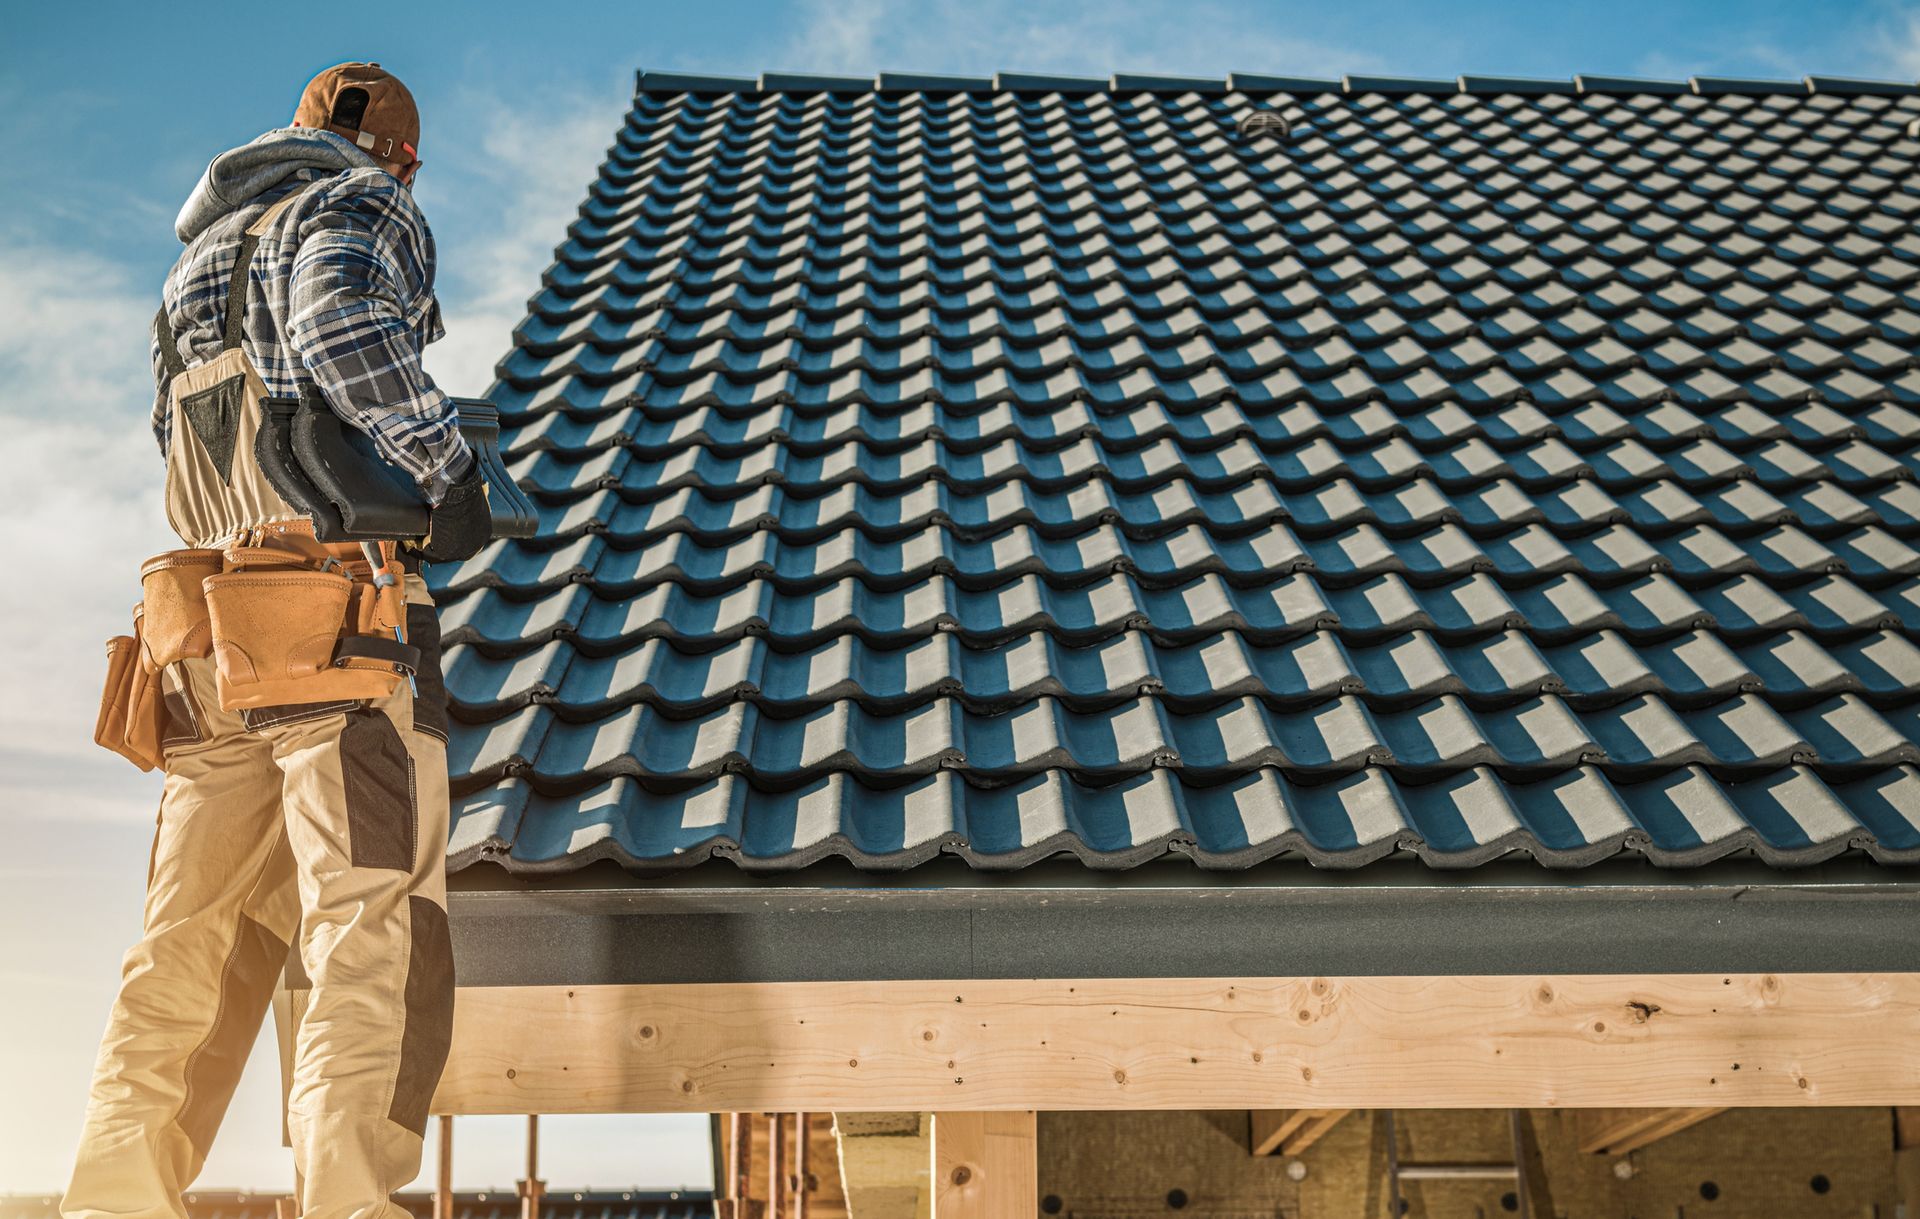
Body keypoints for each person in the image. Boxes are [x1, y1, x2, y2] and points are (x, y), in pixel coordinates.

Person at [64, 62, 489, 1219]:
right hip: (331, 623)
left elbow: (176, 432)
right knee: (368, 918)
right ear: (400, 156)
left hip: (203, 638)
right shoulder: (362, 203)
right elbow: (340, 324)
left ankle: (115, 1196)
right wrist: (446, 469)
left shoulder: (196, 261)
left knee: (184, 941)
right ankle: (352, 1199)